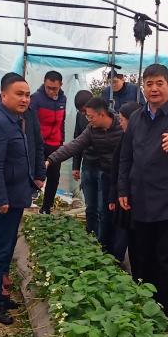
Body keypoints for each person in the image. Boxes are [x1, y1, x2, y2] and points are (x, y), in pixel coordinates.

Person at [118, 64, 168, 319]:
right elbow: (126, 157)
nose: (154, 89)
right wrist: (122, 189)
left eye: (159, 83)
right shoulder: (136, 118)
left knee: (167, 259)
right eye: (149, 84)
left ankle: (165, 313)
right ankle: (144, 307)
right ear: (143, 87)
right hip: (141, 199)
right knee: (141, 256)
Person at [0, 73, 45, 325]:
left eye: (27, 95)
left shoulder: (15, 120)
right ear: (3, 95)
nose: (25, 99)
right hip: (4, 200)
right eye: (19, 94)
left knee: (6, 248)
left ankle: (1, 295)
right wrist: (0, 199)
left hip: (15, 196)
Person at [46, 97, 123, 253]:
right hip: (103, 173)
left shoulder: (121, 126)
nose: (88, 120)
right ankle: (98, 246)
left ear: (102, 114)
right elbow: (74, 145)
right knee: (97, 209)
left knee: (110, 213)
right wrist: (51, 159)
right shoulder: (91, 130)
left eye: (90, 116)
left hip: (119, 176)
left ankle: (111, 250)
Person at [108, 101, 141, 263]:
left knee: (130, 234)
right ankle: (116, 262)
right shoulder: (125, 138)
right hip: (124, 196)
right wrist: (114, 195)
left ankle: (119, 263)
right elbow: (117, 169)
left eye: (122, 119)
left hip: (134, 196)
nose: (120, 123)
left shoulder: (140, 141)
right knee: (122, 230)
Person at [31, 70, 67, 214]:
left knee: (54, 177)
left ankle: (46, 208)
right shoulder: (36, 98)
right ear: (44, 84)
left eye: (54, 88)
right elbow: (31, 124)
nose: (51, 91)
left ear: (61, 85)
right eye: (48, 88)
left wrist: (61, 141)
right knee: (36, 174)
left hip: (55, 144)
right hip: (39, 144)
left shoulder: (63, 99)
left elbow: (62, 122)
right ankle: (27, 200)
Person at [71, 90, 100, 235]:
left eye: (85, 111)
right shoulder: (80, 116)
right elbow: (77, 141)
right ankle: (90, 234)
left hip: (103, 167)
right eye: (81, 111)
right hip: (87, 165)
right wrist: (76, 166)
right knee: (90, 205)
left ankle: (102, 239)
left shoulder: (104, 113)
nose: (84, 114)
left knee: (102, 206)